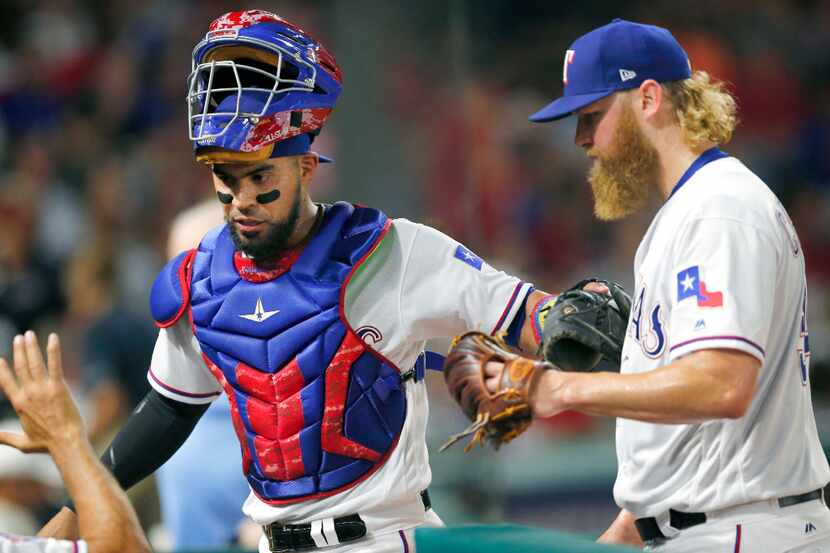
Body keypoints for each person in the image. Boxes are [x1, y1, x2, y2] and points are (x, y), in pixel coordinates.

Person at [41, 10, 561, 553]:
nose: (242, 201)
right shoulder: (203, 280)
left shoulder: (390, 251)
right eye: (226, 177)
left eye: (261, 176)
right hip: (269, 540)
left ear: (307, 167)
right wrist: (75, 507)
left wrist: (570, 317)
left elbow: (530, 312)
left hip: (381, 539)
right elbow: (169, 410)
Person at [512, 18, 830, 552]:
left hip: (742, 530)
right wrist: (628, 529)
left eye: (591, 116)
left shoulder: (718, 210)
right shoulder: (689, 210)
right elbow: (696, 433)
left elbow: (721, 386)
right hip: (712, 525)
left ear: (649, 98)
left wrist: (561, 388)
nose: (581, 140)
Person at [0, 331, 151, 553]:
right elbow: (127, 547)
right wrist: (67, 439)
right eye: (32, 484)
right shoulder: (10, 521)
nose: (43, 492)